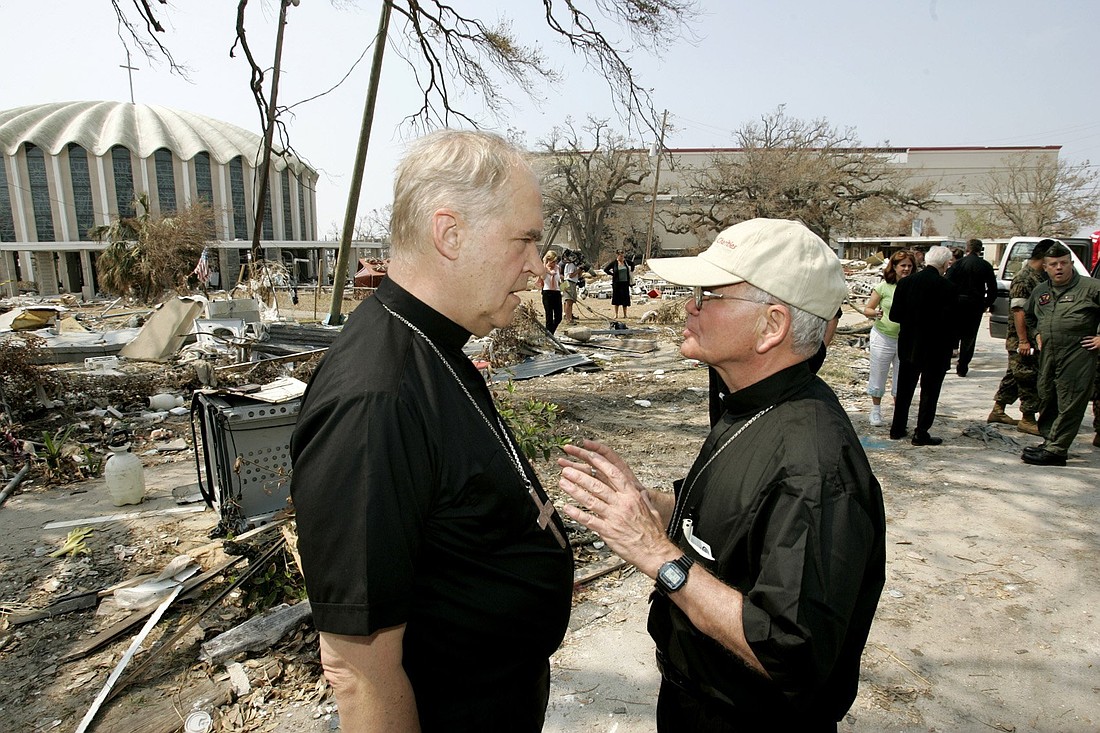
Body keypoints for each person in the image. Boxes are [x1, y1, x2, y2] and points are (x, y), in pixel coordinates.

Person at [289, 130, 573, 731]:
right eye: (524, 239)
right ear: (450, 234)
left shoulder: (434, 345)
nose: (536, 266)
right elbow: (360, 671)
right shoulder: (377, 399)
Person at [558, 218, 886, 731]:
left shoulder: (815, 470)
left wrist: (656, 554)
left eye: (709, 294)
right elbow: (736, 519)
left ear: (771, 326)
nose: (690, 306)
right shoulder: (749, 403)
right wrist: (651, 506)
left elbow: (787, 650)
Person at [1021, 242, 1100, 466]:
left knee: (1070, 399)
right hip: (1049, 353)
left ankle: (1057, 450)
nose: (1059, 268)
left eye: (1064, 263)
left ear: (1071, 264)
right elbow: (1028, 316)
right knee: (1046, 395)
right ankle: (1049, 441)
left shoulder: (1091, 287)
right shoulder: (1041, 290)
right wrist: (1035, 333)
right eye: (1053, 264)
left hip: (1078, 352)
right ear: (1044, 267)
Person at [889, 245, 959, 445]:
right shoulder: (949, 288)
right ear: (946, 264)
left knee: (904, 388)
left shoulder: (906, 284)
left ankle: (897, 428)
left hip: (909, 345)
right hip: (937, 348)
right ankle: (921, 432)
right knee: (930, 391)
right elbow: (953, 322)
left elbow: (894, 315)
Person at [988, 239, 1053, 434]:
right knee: (1027, 376)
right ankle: (1028, 417)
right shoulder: (1025, 278)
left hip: (1032, 337)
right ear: (1043, 259)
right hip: (1023, 338)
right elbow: (1019, 311)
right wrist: (1023, 340)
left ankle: (998, 410)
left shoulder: (1039, 277)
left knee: (1015, 374)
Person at [862, 249, 917, 427]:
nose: (906, 269)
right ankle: (876, 411)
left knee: (902, 378)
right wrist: (875, 313)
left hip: (906, 339)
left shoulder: (914, 287)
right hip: (883, 336)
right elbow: (867, 309)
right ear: (894, 267)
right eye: (903, 266)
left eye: (909, 266)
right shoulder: (883, 287)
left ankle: (898, 414)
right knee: (879, 373)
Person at [945, 238, 997, 376]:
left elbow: (946, 283)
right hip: (975, 304)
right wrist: (987, 303)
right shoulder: (985, 265)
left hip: (957, 303)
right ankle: (963, 367)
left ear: (967, 248)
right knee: (969, 336)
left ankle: (945, 363)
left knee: (952, 333)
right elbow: (992, 288)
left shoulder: (958, 265)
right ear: (980, 250)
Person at [604, 248, 634, 320]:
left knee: (625, 298)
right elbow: (606, 269)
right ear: (617, 256)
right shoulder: (614, 263)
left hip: (625, 283)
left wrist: (631, 271)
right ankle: (616, 314)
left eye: (622, 255)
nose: (621, 257)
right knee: (616, 298)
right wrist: (612, 274)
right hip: (617, 283)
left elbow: (632, 264)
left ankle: (625, 314)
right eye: (620, 256)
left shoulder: (626, 262)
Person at [539, 249, 563, 333]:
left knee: (558, 317)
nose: (554, 263)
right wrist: (545, 264)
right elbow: (542, 277)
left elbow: (558, 281)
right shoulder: (544, 269)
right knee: (549, 316)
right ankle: (549, 335)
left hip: (557, 292)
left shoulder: (557, 268)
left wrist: (563, 287)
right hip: (547, 293)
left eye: (555, 261)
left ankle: (550, 333)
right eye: (552, 261)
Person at [561, 250, 581, 324]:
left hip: (570, 283)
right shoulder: (571, 265)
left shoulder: (571, 265)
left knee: (570, 302)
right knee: (568, 301)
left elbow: (577, 276)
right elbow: (571, 275)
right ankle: (568, 319)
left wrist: (580, 271)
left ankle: (569, 317)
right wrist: (578, 270)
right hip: (569, 283)